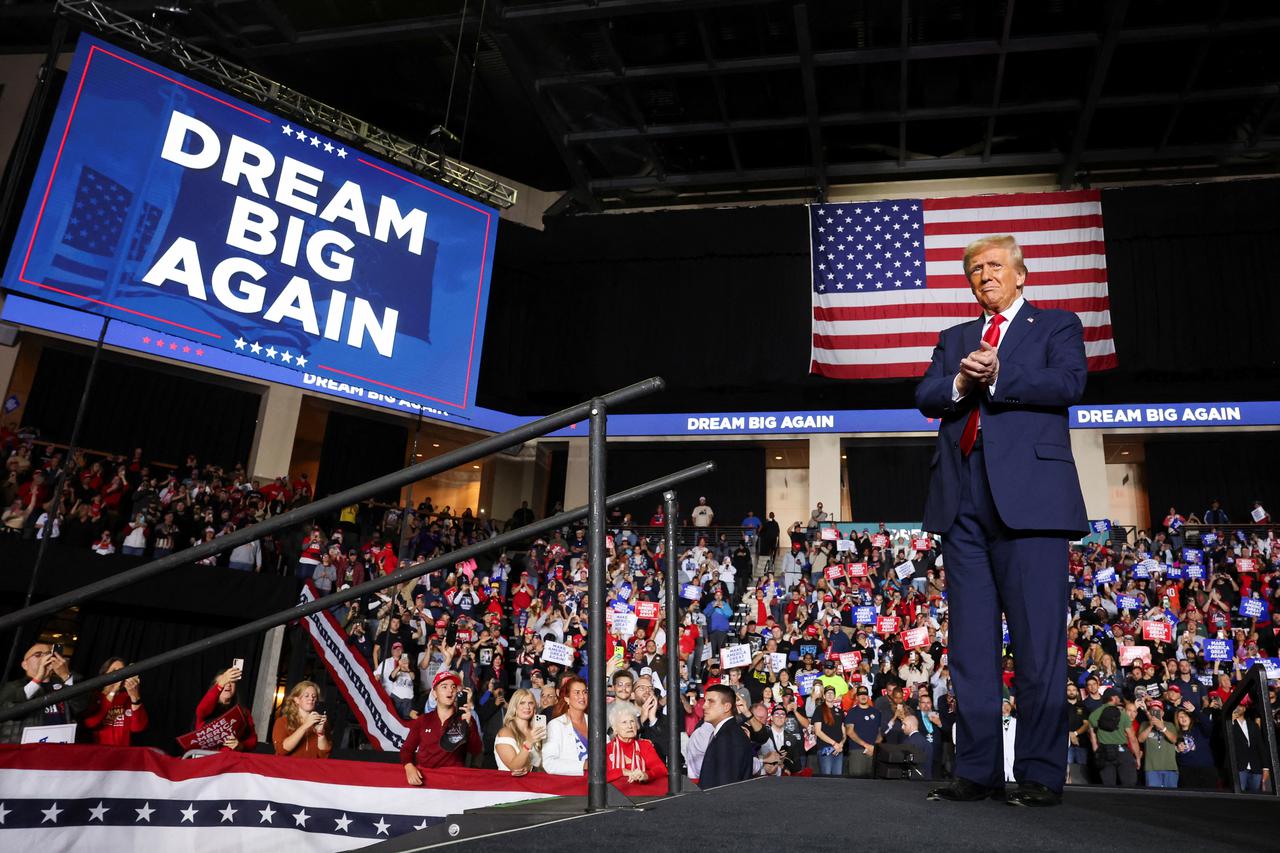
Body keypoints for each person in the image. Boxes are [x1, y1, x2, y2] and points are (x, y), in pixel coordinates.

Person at [917, 235, 1088, 809]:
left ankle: (1040, 774)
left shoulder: (1057, 325)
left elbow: (1068, 384)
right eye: (974, 270)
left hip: (1031, 504)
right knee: (969, 647)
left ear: (1020, 275)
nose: (983, 275)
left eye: (994, 265)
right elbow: (927, 394)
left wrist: (997, 377)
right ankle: (978, 772)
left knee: (1039, 646)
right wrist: (962, 382)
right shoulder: (954, 339)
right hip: (961, 500)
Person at [0, 643, 91, 743]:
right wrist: (39, 677)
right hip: (23, 748)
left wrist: (65, 675)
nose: (45, 658)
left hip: (60, 747)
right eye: (38, 655)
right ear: (24, 665)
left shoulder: (65, 683)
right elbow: (10, 710)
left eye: (49, 654)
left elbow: (81, 707)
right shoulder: (12, 686)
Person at [401, 671, 481, 784]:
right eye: (444, 686)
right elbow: (406, 749)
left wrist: (469, 725)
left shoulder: (466, 719)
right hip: (425, 781)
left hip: (454, 782)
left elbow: (476, 750)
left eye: (453, 687)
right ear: (434, 693)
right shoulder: (423, 720)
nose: (450, 690)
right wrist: (409, 767)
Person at [697, 684, 753, 789]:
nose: (704, 706)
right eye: (705, 701)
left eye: (711, 701)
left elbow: (725, 789)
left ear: (726, 707)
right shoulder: (726, 733)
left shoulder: (728, 738)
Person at [82, 658, 147, 746]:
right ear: (104, 674)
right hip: (99, 753)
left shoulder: (126, 697)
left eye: (121, 671)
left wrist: (135, 697)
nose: (118, 675)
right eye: (113, 671)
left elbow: (138, 728)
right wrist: (113, 691)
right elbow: (91, 723)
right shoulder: (94, 696)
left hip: (122, 753)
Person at [193, 666, 258, 751]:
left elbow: (252, 740)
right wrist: (220, 685)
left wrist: (241, 746)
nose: (228, 685)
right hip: (206, 758)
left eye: (232, 682)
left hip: (231, 759)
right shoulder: (206, 708)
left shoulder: (243, 712)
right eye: (224, 682)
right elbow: (201, 711)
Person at [605, 700, 667, 785]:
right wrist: (623, 772)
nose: (630, 726)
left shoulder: (645, 746)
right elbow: (598, 776)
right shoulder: (606, 749)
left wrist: (646, 775)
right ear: (615, 729)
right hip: (615, 796)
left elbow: (661, 769)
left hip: (642, 795)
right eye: (624, 722)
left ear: (637, 725)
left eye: (632, 721)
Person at [1088, 688, 1139, 786]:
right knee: (1129, 785)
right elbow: (1132, 737)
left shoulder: (1093, 715)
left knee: (1108, 786)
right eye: (1117, 697)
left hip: (1104, 751)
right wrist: (1137, 757)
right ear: (1113, 698)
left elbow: (1093, 737)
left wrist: (1097, 752)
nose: (1119, 699)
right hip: (1122, 751)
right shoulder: (1123, 715)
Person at [271, 681, 332, 759]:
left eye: (314, 696)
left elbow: (324, 755)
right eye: (306, 696)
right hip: (287, 768)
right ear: (296, 700)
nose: (311, 698)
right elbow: (281, 750)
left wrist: (320, 733)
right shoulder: (282, 722)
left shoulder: (322, 722)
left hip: (311, 769)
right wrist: (305, 725)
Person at [543, 676, 590, 775]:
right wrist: (584, 765)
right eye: (577, 692)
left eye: (584, 692)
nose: (582, 696)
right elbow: (549, 763)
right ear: (567, 699)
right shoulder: (556, 725)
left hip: (596, 784)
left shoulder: (594, 721)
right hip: (571, 785)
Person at [494, 688, 547, 775]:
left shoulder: (536, 731)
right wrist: (529, 743)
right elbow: (515, 767)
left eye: (530, 703)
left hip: (535, 784)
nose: (527, 707)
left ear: (535, 707)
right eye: (522, 703)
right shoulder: (505, 733)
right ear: (514, 707)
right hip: (511, 786)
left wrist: (529, 767)